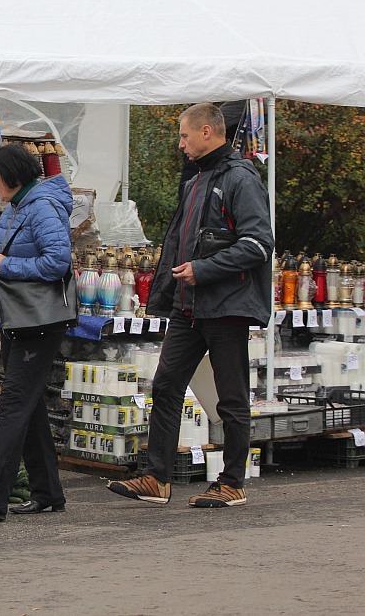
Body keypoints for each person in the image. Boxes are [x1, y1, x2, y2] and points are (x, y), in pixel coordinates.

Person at [107, 102, 273, 508]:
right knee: (165, 385)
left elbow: (258, 244)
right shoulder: (197, 178)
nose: (180, 144)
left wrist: (204, 269)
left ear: (205, 131)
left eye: (184, 135)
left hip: (225, 306)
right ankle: (156, 478)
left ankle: (232, 482)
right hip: (189, 306)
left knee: (230, 397)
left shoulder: (240, 178)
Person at [0, 144, 73, 521]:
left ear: (13, 177)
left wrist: (11, 265)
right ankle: (48, 493)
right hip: (18, 321)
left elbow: (57, 262)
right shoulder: (13, 211)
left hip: (40, 323)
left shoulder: (42, 207)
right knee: (30, 407)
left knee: (13, 405)